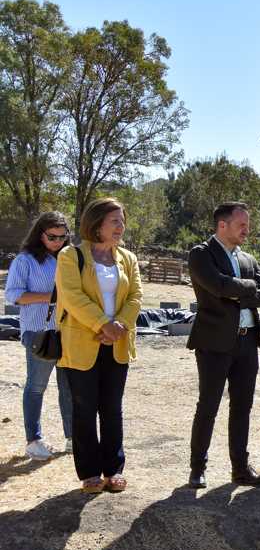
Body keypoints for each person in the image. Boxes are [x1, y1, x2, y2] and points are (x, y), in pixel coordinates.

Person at [56, 198, 142, 494]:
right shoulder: (70, 255)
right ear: (96, 223)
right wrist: (103, 324)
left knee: (112, 409)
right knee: (84, 409)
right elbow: (71, 296)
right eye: (114, 221)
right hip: (82, 343)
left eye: (122, 221)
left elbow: (136, 297)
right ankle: (90, 473)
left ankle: (114, 469)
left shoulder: (128, 258)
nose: (121, 226)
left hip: (117, 344)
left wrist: (120, 325)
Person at [185, 202, 260, 489]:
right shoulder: (201, 254)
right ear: (223, 225)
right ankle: (197, 468)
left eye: (248, 224)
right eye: (241, 224)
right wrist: (247, 289)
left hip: (247, 342)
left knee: (242, 407)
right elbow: (218, 286)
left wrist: (236, 292)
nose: (247, 229)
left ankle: (240, 469)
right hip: (214, 343)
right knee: (208, 406)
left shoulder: (248, 258)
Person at [5, 212, 74, 461]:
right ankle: (33, 441)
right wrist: (52, 297)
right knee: (36, 386)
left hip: (69, 332)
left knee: (69, 387)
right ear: (40, 234)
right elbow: (13, 294)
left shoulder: (69, 258)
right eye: (52, 237)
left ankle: (72, 438)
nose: (57, 241)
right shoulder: (25, 260)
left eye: (62, 237)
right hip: (39, 332)